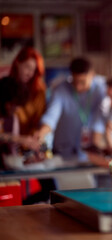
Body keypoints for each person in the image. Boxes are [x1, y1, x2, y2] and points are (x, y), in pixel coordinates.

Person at [0, 46, 50, 204]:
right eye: (27, 67)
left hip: (14, 160)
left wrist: (27, 153)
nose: (30, 73)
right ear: (17, 63)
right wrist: (21, 140)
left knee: (47, 187)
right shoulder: (6, 85)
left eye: (33, 70)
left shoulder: (36, 92)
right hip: (8, 164)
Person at [37, 57, 107, 162]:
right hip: (63, 151)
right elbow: (51, 117)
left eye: (82, 82)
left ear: (92, 75)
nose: (78, 87)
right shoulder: (60, 89)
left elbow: (100, 118)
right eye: (75, 82)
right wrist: (40, 134)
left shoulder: (102, 88)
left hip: (91, 151)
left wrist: (98, 145)